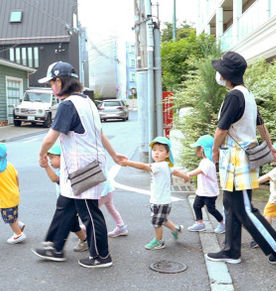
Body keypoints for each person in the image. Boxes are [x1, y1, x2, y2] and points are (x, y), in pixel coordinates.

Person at [32, 61, 127, 268]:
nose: (51, 87)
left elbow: (50, 138)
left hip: (81, 168)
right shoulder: (87, 102)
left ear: (59, 81)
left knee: (89, 212)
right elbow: (99, 133)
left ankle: (101, 256)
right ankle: (54, 247)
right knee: (65, 205)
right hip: (85, 164)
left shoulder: (68, 105)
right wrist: (114, 155)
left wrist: (41, 155)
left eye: (51, 83)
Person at [205, 51, 276, 265]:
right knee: (230, 203)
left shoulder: (234, 95)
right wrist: (271, 147)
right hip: (240, 157)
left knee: (243, 208)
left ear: (225, 74)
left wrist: (215, 151)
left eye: (219, 71)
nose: (218, 75)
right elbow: (261, 124)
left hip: (236, 158)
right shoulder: (247, 94)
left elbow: (221, 129)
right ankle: (231, 250)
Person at [121, 136, 189, 250]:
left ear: (167, 154)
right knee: (162, 219)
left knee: (156, 222)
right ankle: (176, 229)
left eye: (160, 150)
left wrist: (127, 162)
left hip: (160, 201)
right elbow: (176, 171)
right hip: (162, 200)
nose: (156, 153)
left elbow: (143, 166)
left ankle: (159, 241)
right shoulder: (166, 165)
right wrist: (185, 176)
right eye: (154, 150)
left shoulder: (159, 165)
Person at [41, 144, 88, 252]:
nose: (50, 161)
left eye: (52, 158)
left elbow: (55, 179)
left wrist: (46, 166)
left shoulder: (67, 170)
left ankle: (84, 241)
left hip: (71, 201)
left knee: (70, 223)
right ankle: (85, 240)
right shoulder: (61, 169)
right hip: (66, 200)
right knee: (73, 224)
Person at [186, 135, 225, 234]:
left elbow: (199, 171)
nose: (196, 150)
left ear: (202, 149)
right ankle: (200, 224)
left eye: (198, 148)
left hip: (210, 192)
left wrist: (188, 174)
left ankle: (223, 223)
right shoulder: (205, 161)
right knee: (196, 206)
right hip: (203, 191)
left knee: (211, 209)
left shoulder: (208, 162)